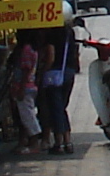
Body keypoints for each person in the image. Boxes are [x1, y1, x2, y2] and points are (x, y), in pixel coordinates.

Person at [32, 23, 77, 154]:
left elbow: (51, 58)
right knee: (61, 108)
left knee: (55, 109)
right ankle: (67, 141)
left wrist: (42, 73)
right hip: (69, 72)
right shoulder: (69, 33)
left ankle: (59, 142)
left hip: (55, 75)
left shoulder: (52, 35)